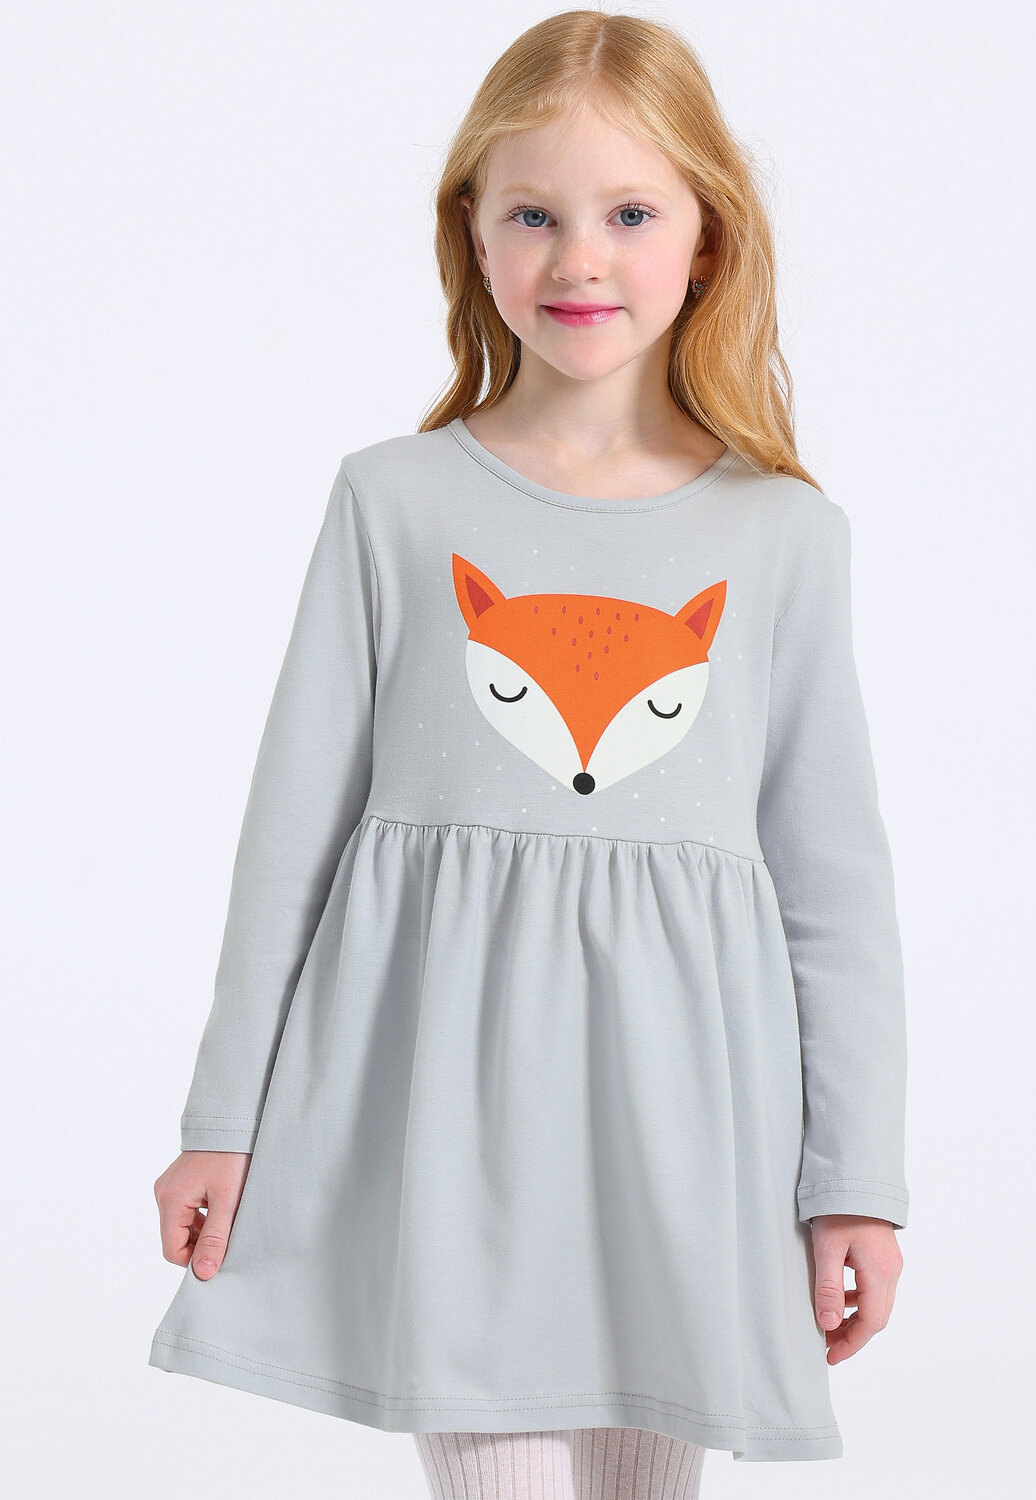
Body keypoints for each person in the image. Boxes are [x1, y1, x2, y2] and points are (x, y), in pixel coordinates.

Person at [149, 10, 909, 1497]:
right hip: (448, 1123)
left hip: (688, 1136)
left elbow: (835, 884)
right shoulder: (393, 504)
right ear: (473, 231)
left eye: (629, 213)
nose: (578, 260)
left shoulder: (782, 535)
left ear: (705, 236)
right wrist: (221, 1120)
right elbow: (292, 829)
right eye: (533, 214)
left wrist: (854, 1181)